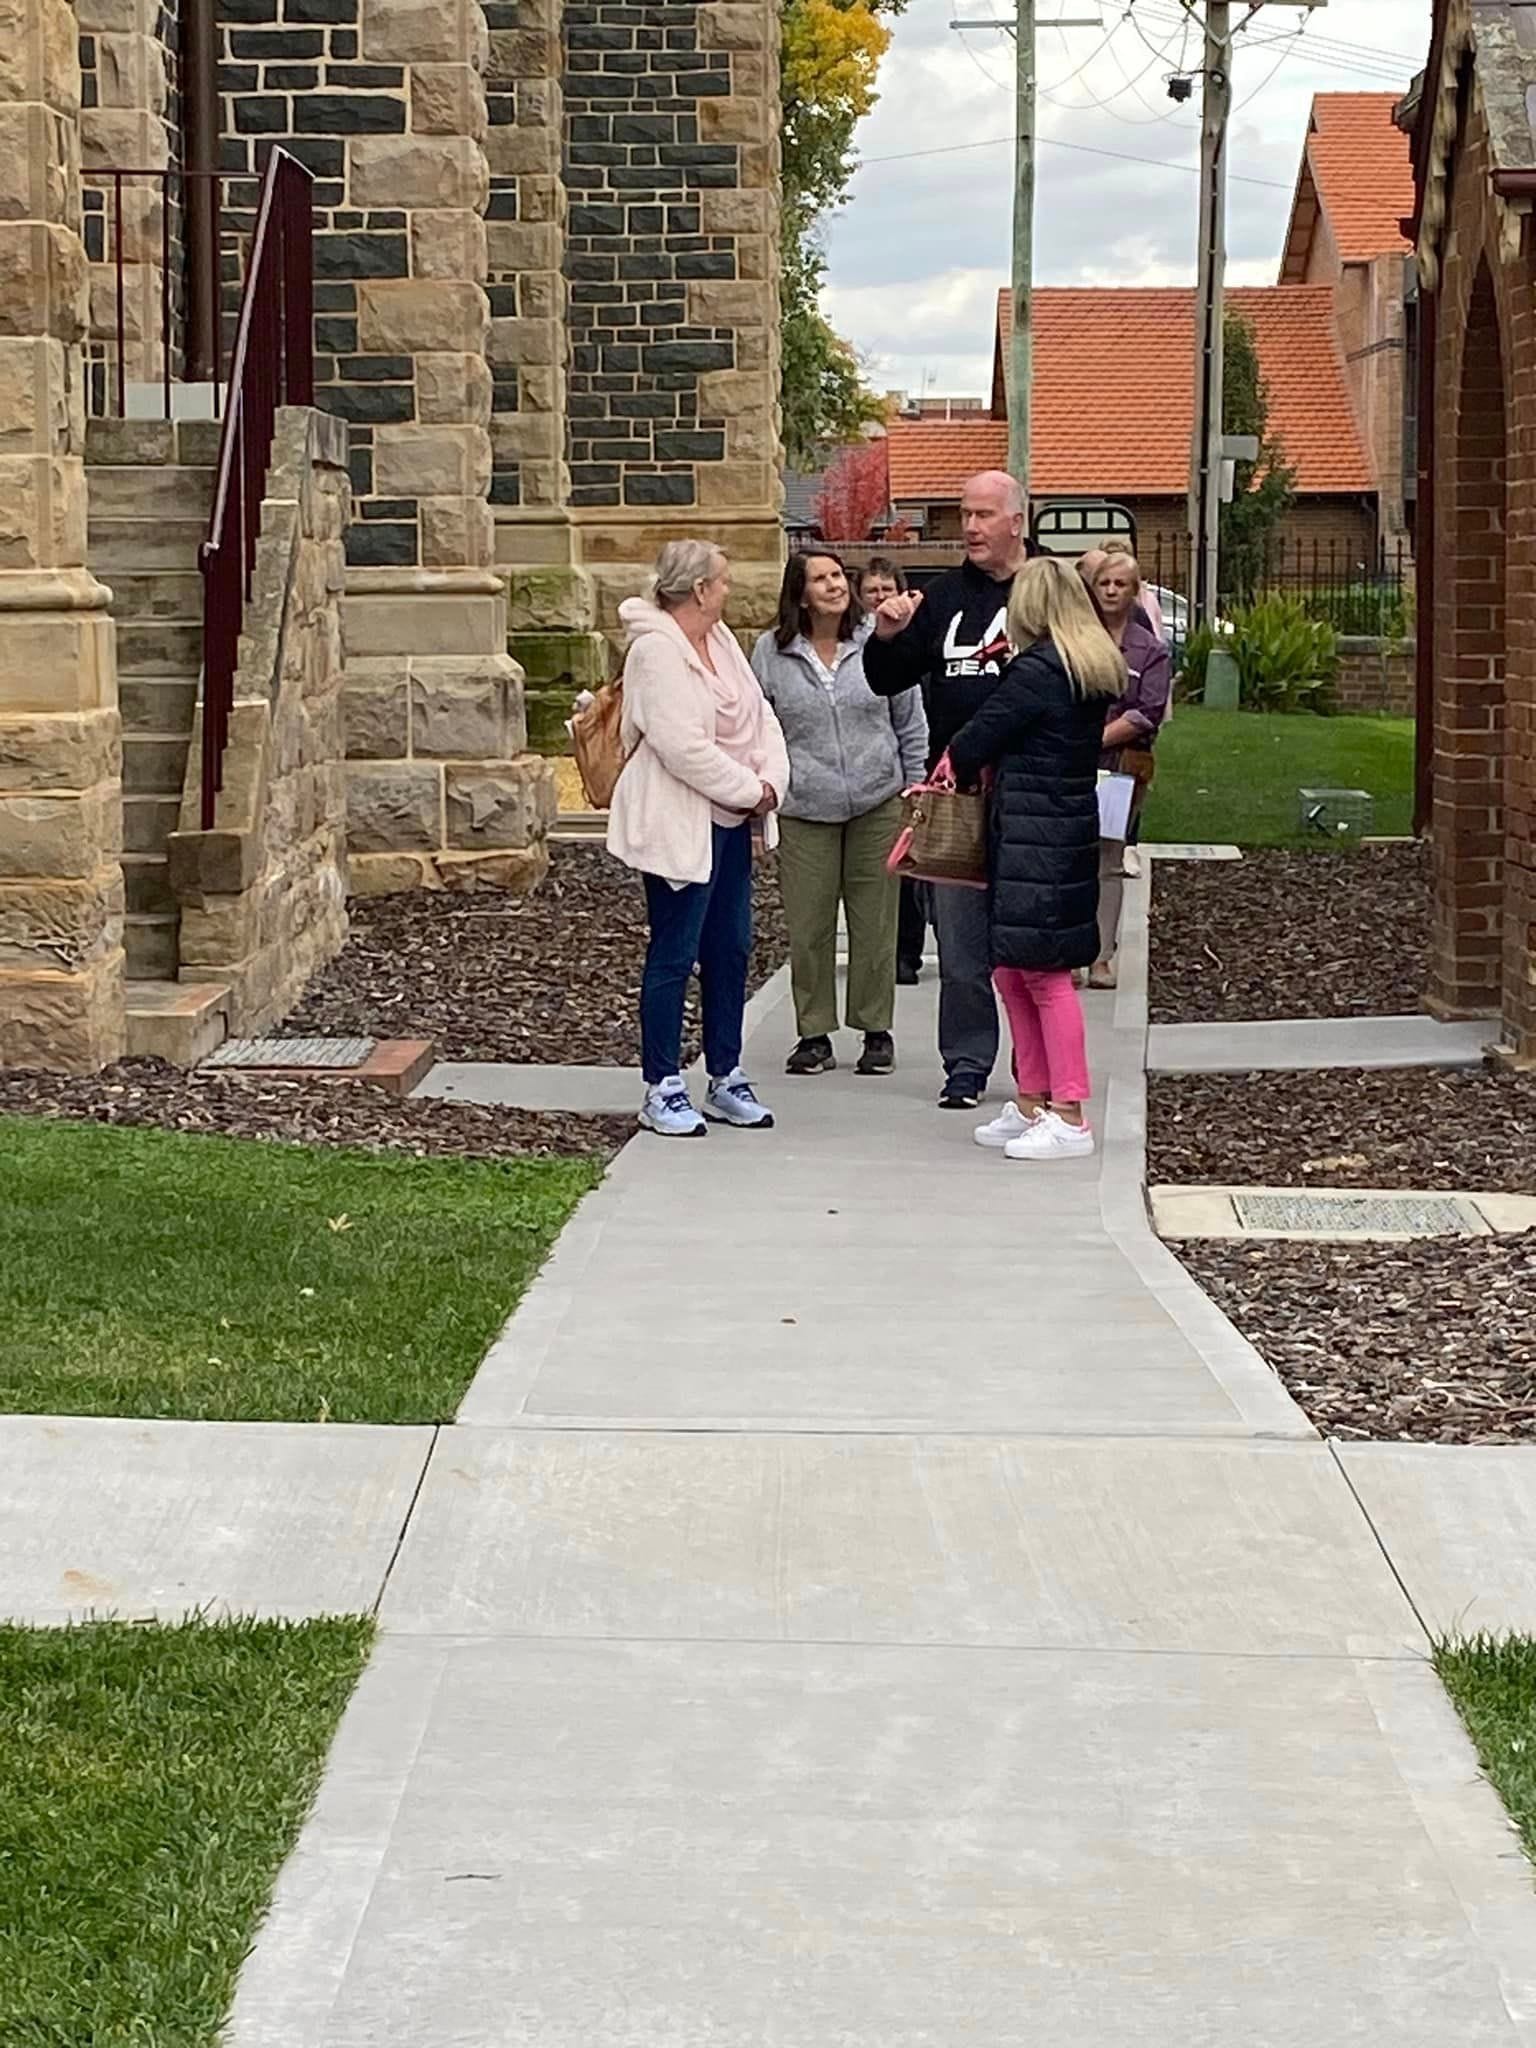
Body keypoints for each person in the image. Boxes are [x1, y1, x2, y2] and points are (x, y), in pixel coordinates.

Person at [607, 539, 791, 1138]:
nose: (730, 589)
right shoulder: (655, 652)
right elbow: (680, 746)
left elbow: (760, 714)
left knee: (731, 949)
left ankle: (726, 1074)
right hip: (678, 825)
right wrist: (749, 787)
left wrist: (769, 784)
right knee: (674, 952)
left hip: (731, 823)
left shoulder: (722, 640)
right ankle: (661, 1086)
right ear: (699, 590)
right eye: (723, 581)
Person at [945, 558, 1126, 1161]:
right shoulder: (1085, 667)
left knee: (1042, 976)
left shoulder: (1039, 670)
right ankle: (1033, 1100)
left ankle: (1069, 1112)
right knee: (1014, 970)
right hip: (1056, 830)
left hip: (1033, 835)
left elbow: (974, 740)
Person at [865, 470, 1030, 1110]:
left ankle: (1036, 1071)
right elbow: (887, 679)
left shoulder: (1047, 587)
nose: (970, 526)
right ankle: (965, 1064)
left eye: (985, 514)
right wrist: (885, 635)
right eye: (965, 514)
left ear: (1017, 520)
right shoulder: (943, 597)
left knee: (1026, 946)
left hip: (1027, 794)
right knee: (960, 947)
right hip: (955, 794)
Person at [752, 552, 928, 1077]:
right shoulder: (771, 651)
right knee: (809, 924)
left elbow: (909, 717)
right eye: (820, 579)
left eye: (837, 577)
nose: (833, 586)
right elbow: (759, 727)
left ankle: (876, 1030)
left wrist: (914, 789)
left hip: (878, 800)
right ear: (799, 593)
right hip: (806, 807)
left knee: (875, 922)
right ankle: (814, 1035)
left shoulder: (879, 638)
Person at [1087, 550, 1172, 989]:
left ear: (1134, 590)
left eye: (1121, 584)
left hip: (1122, 765)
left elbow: (1148, 710)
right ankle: (1068, 952)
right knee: (1069, 857)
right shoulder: (1078, 639)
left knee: (1108, 858)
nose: (1112, 591)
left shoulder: (1150, 649)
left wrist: (1096, 738)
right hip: (1072, 763)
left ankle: (1101, 957)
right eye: (1105, 583)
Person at [857, 556, 927, 986]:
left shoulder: (919, 635)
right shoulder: (858, 645)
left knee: (909, 873)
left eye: (887, 589)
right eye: (872, 591)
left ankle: (908, 953)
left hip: (915, 755)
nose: (880, 597)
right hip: (873, 775)